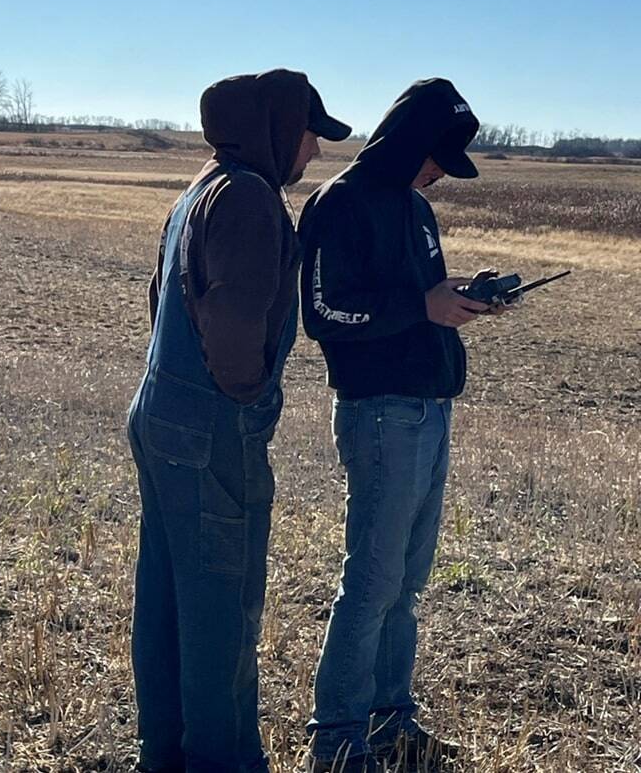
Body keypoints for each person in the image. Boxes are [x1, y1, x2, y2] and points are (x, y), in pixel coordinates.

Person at [127, 69, 351, 773]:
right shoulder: (251, 200)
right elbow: (231, 322)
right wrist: (249, 397)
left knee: (167, 606)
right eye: (311, 134)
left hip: (161, 415)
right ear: (280, 128)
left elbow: (157, 296)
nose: (314, 152)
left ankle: (164, 756)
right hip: (214, 433)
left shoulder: (199, 187)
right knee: (222, 617)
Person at [299, 78, 491, 772]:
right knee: (374, 581)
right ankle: (338, 738)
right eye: (436, 159)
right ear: (410, 144)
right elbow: (325, 315)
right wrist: (424, 305)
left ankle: (389, 721)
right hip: (380, 413)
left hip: (431, 409)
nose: (440, 174)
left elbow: (422, 298)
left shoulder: (416, 211)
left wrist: (461, 298)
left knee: (407, 582)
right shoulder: (339, 204)